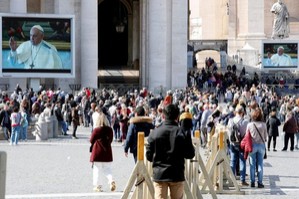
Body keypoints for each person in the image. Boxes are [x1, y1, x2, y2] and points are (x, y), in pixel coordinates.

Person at [146, 104, 195, 199]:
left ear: (163, 116)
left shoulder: (155, 132)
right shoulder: (181, 132)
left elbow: (148, 156)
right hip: (176, 173)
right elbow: (190, 154)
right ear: (177, 117)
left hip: (160, 174)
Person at [90, 113, 116, 192]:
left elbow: (91, 140)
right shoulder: (109, 130)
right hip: (107, 151)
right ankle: (111, 180)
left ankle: (97, 185)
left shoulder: (96, 130)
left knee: (97, 169)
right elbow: (111, 140)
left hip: (97, 152)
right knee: (107, 169)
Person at [227, 105, 249, 186]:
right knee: (242, 161)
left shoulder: (230, 120)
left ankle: (232, 179)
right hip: (241, 144)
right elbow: (245, 134)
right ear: (242, 112)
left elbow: (228, 132)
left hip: (233, 143)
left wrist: (231, 141)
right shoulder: (245, 121)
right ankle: (242, 180)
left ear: (236, 112)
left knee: (233, 161)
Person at [246, 108, 267, 188]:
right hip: (261, 145)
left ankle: (252, 182)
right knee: (260, 164)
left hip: (253, 146)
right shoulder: (263, 124)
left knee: (252, 164)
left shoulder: (250, 125)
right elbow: (265, 137)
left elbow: (247, 136)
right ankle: (260, 182)